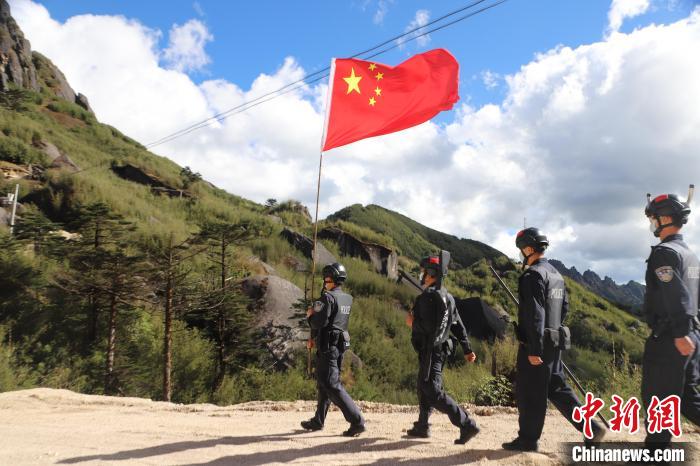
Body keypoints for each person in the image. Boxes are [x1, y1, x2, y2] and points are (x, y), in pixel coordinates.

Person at [503, 227, 605, 452]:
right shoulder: (556, 275)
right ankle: (591, 427)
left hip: (537, 344)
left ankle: (528, 440)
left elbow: (535, 314)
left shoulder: (532, 275)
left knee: (530, 392)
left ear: (528, 249)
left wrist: (534, 348)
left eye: (522, 248)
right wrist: (551, 332)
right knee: (557, 389)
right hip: (555, 341)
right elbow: (564, 307)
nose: (521, 252)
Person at [642, 189, 700, 452]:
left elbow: (675, 294)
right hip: (692, 335)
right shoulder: (690, 255)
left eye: (653, 218)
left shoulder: (664, 253)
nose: (651, 223)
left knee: (658, 398)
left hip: (673, 338)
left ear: (664, 219)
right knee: (687, 399)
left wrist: (679, 333)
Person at [405, 252, 480, 444]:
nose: (421, 274)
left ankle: (466, 424)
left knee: (431, 389)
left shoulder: (427, 297)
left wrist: (412, 322)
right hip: (440, 349)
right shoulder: (448, 297)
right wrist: (467, 349)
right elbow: (458, 325)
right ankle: (422, 425)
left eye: (423, 271)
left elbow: (428, 328)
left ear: (431, 273)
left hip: (431, 350)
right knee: (423, 385)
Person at [300, 262, 365, 437]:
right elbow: (333, 321)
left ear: (332, 279)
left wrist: (310, 316)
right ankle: (318, 420)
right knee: (324, 383)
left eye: (326, 278)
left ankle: (357, 421)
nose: (324, 281)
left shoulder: (326, 298)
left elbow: (319, 322)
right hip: (339, 345)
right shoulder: (347, 298)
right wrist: (314, 338)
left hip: (328, 347)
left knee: (331, 383)